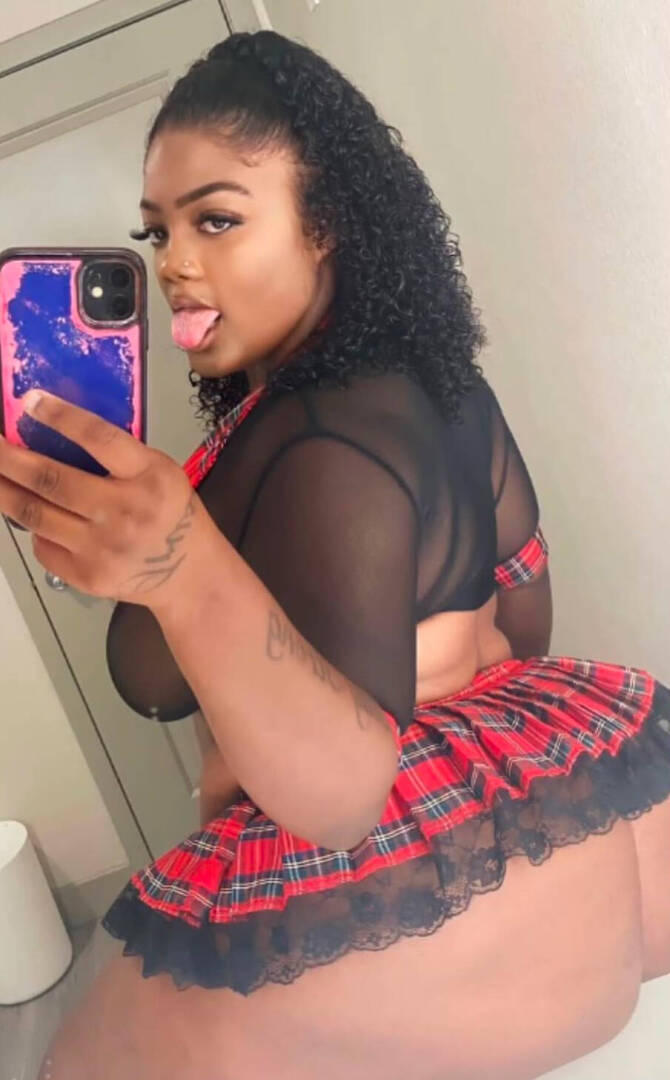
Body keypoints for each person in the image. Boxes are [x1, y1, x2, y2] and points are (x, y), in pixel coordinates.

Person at [26, 29, 670, 1080]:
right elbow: (523, 610)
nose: (175, 265)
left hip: (416, 925)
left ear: (325, 223)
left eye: (216, 220)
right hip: (582, 861)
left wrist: (178, 567)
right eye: (157, 232)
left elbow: (344, 798)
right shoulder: (437, 383)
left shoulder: (317, 433)